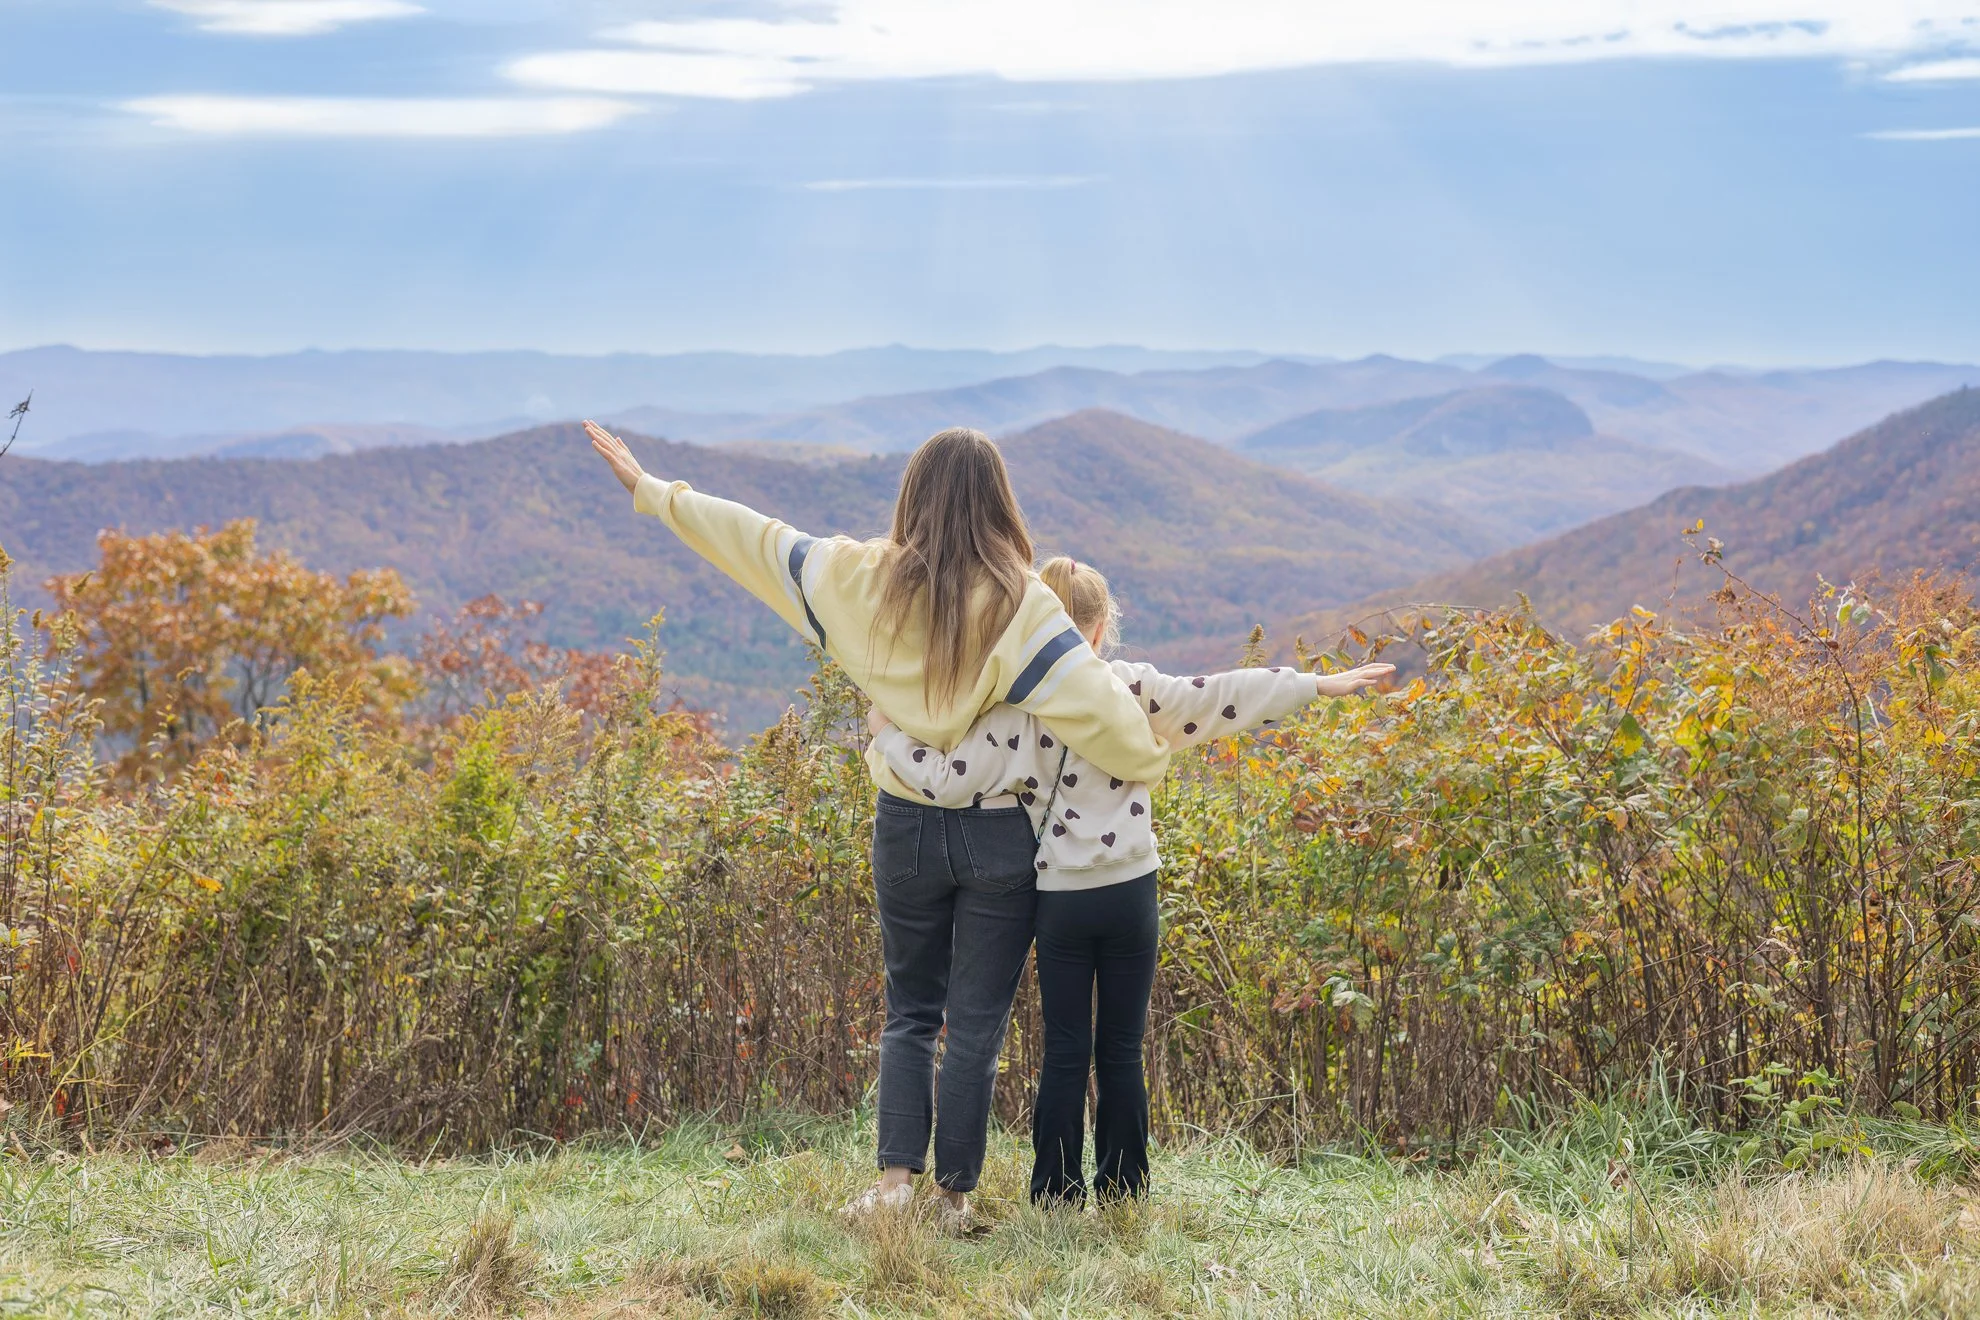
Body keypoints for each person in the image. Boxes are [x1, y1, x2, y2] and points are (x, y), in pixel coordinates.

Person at [584, 421, 1171, 1231]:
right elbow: (1103, 710)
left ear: (914, 495)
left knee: (909, 1012)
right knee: (974, 1025)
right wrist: (1148, 758)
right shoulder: (1021, 601)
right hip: (997, 833)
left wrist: (657, 494)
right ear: (1001, 502)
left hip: (903, 828)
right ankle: (953, 1198)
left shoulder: (865, 578)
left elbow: (760, 541)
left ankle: (894, 1185)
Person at [869, 557, 1391, 1205]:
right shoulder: (1133, 690)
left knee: (1063, 1053)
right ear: (1097, 629)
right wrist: (1318, 686)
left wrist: (886, 739)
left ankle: (1056, 1195)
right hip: (1131, 896)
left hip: (1059, 901)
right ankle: (1123, 1192)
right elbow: (1219, 695)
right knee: (1122, 1049)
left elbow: (948, 777)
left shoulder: (1020, 714)